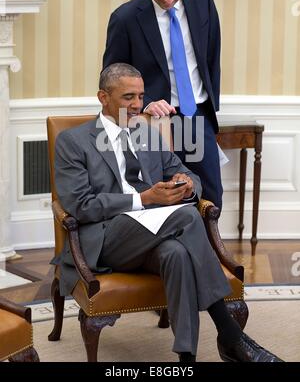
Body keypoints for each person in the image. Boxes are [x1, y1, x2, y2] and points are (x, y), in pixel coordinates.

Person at [54, 63, 283, 362]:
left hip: (155, 233)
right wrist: (144, 197)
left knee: (175, 253)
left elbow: (188, 174)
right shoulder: (73, 141)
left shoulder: (147, 134)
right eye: (127, 97)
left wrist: (187, 185)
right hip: (105, 239)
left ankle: (186, 358)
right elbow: (80, 206)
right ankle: (229, 334)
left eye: (140, 96)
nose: (137, 105)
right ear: (103, 97)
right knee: (187, 217)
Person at [103, 0, 223, 209]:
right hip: (150, 123)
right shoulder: (125, 18)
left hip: (196, 116)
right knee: (164, 199)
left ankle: (207, 252)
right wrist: (144, 105)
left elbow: (212, 55)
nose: (169, 0)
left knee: (210, 196)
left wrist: (212, 108)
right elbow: (112, 78)